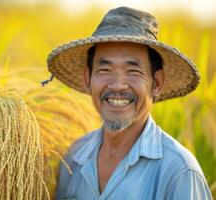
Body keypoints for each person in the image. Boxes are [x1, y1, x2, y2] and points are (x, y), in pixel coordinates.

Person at [44, 6, 213, 200]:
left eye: (133, 71)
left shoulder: (179, 172)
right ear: (87, 78)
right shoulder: (73, 159)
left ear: (156, 83)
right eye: (105, 70)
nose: (117, 85)